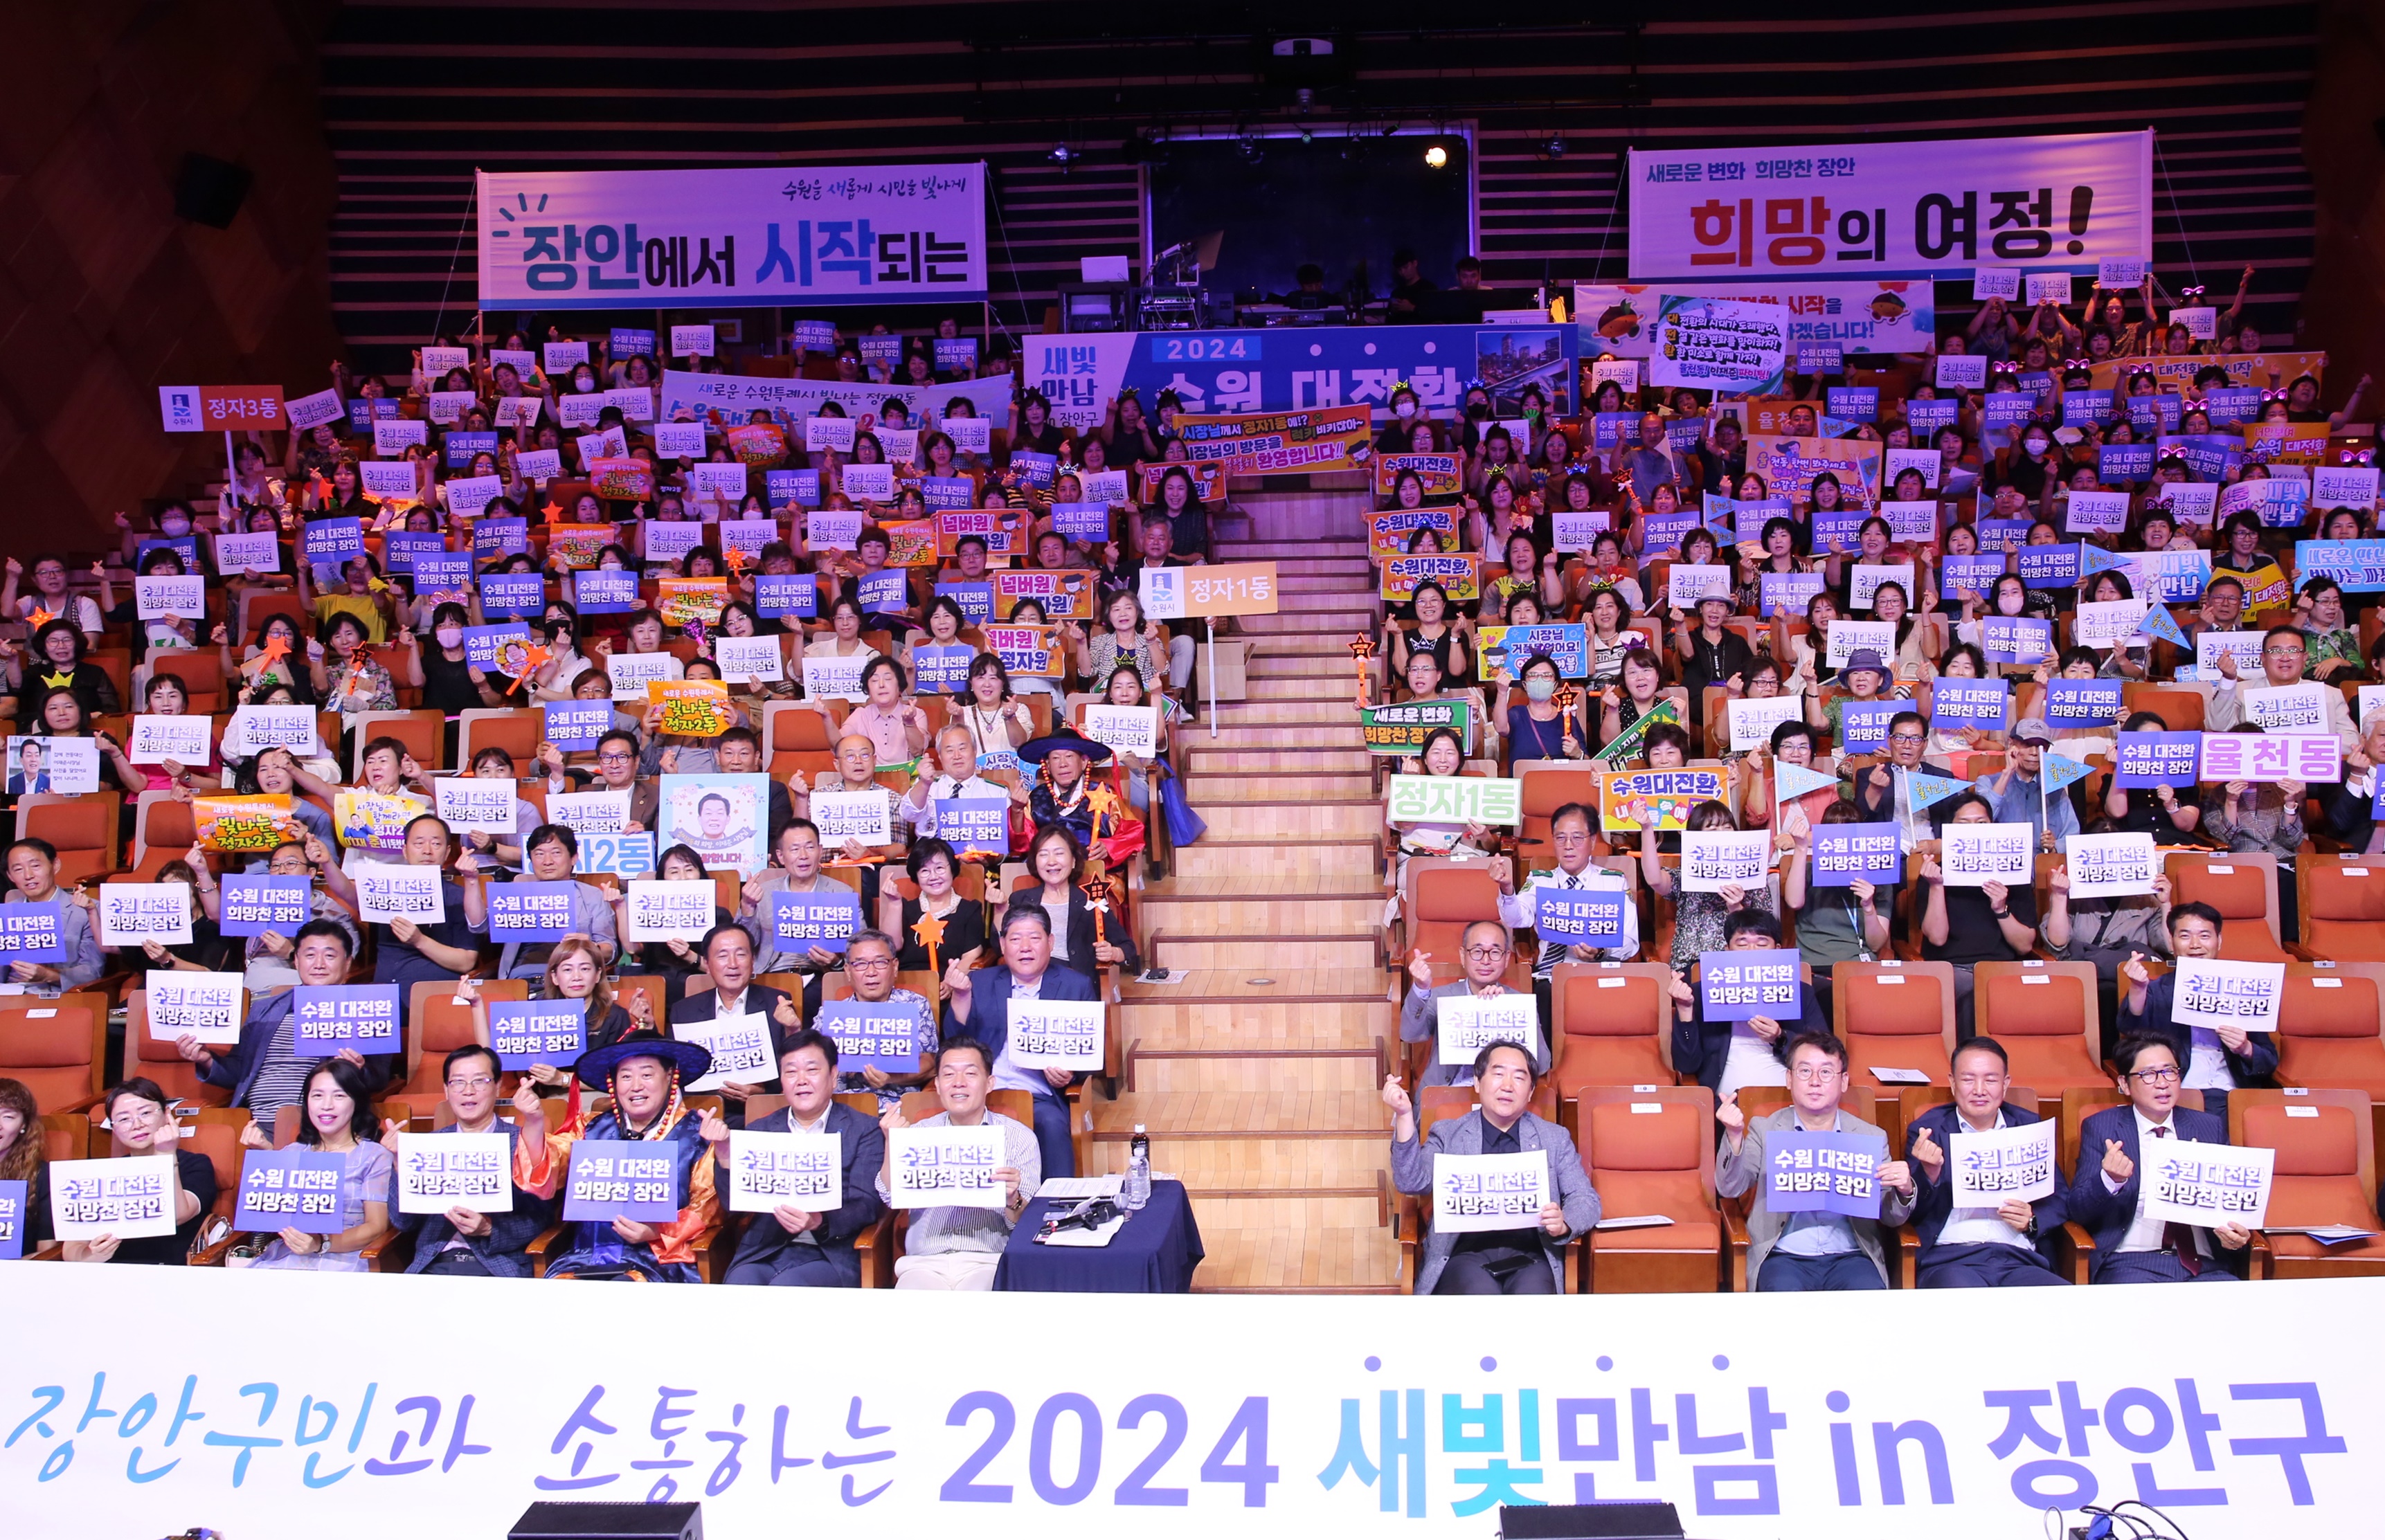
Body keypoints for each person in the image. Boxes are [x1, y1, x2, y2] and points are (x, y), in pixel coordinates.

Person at [1382, 1042, 1599, 1295]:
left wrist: (1565, 1223)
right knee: (1481, 1296)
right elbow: (1410, 1181)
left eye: (1519, 1077)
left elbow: (1585, 1199)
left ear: (1530, 1092)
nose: (1507, 1085)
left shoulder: (1554, 1138)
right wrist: (1405, 1115)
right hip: (1464, 1255)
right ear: (1477, 1083)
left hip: (1531, 1256)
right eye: (1498, 1074)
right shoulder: (1449, 1134)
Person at [512, 1030, 719, 1281]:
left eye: (647, 1074)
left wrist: (657, 1230)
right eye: (626, 1076)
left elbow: (708, 1207)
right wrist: (534, 1122)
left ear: (670, 1077)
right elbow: (547, 1171)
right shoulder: (591, 1128)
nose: (636, 1086)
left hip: (657, 1259)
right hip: (586, 1256)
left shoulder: (696, 1134)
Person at [1715, 1031, 1916, 1291]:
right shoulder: (1765, 1130)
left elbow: (1891, 1217)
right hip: (1783, 1258)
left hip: (1851, 1257)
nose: (1815, 1082)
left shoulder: (1870, 1137)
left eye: (1826, 1073)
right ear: (1789, 1079)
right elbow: (1731, 1188)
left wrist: (1904, 1191)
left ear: (1843, 1081)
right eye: (1805, 1071)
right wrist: (1733, 1136)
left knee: (1870, 1308)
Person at [700, 1029, 885, 1287]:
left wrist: (817, 1220)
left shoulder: (863, 1129)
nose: (801, 1080)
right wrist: (724, 1155)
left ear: (833, 1077)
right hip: (766, 1249)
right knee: (739, 1286)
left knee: (785, 1288)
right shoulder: (760, 1130)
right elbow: (735, 1206)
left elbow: (865, 1205)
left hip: (831, 1252)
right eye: (791, 1072)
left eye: (811, 1070)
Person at [2065, 1035, 2250, 1283]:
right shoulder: (2103, 1128)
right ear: (2125, 1084)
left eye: (2169, 1072)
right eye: (2148, 1075)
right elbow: (2078, 1210)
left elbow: (2230, 1205)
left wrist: (2234, 1238)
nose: (2162, 1083)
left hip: (2205, 1265)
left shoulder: (2209, 1127)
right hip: (2132, 1263)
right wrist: (2109, 1180)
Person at [942, 904, 1096, 1181]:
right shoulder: (979, 981)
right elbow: (955, 1044)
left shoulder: (1076, 985)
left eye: (1035, 938)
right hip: (982, 1091)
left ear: (1050, 942)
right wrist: (961, 997)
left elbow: (1090, 1049)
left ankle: (1055, 1208)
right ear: (1002, 944)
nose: (1025, 947)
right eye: (1015, 939)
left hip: (1037, 1095)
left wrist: (1070, 1073)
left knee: (1051, 1124)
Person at [178, 919, 392, 1116]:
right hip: (254, 1120)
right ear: (296, 961)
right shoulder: (265, 1009)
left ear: (347, 963)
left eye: (329, 956)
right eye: (310, 955)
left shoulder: (366, 1008)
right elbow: (240, 1072)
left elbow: (380, 1077)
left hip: (319, 1121)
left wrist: (358, 1070)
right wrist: (206, 1060)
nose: (319, 964)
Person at [874, 1037, 1038, 1289]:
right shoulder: (918, 1133)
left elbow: (1025, 1221)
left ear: (990, 1083)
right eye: (949, 1075)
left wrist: (1012, 1199)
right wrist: (891, 1143)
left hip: (988, 1262)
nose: (959, 1083)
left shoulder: (1019, 1137)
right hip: (923, 1263)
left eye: (971, 1073)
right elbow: (890, 1196)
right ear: (938, 1085)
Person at [1904, 1037, 2069, 1287]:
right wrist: (1929, 1174)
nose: (1979, 1090)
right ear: (1952, 1083)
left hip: (2019, 1258)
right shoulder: (1929, 1130)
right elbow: (1912, 1213)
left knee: (2064, 1303)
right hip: (1952, 1257)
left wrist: (2033, 1220)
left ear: (2005, 1084)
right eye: (1968, 1079)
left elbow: (2060, 1198)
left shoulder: (2029, 1126)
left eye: (1990, 1080)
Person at [383, 1043, 552, 1276]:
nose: (468, 1091)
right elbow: (403, 1223)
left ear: (498, 1086)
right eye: (458, 1082)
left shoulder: (520, 1143)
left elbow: (540, 1219)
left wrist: (490, 1229)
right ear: (446, 1090)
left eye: (480, 1081)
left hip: (495, 1266)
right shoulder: (427, 1146)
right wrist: (400, 1164)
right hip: (434, 1264)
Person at [2114, 903, 2278, 1127]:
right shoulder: (2157, 989)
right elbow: (2131, 1030)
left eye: (2204, 936)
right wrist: (2138, 988)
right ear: (2171, 943)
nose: (2195, 945)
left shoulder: (2242, 988)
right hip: (2180, 1092)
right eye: (2185, 936)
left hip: (2231, 1094)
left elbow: (2268, 1061)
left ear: (2219, 941)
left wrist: (2245, 1048)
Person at [1494, 801, 1640, 1037]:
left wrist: (1601, 952)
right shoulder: (1541, 881)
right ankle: (1547, 1071)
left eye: (1577, 838)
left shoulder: (1613, 883)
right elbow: (1516, 919)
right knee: (1544, 997)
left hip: (1599, 972)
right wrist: (1507, 889)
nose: (1568, 846)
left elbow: (1631, 941)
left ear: (1593, 841)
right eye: (1560, 838)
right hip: (1551, 976)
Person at [241, 1057, 395, 1271]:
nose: (327, 1106)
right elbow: (273, 1213)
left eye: (339, 1096)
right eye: (317, 1096)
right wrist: (266, 1157)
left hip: (345, 1258)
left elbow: (376, 1227)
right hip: (287, 1258)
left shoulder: (375, 1156)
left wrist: (321, 1243)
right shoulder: (292, 1153)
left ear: (356, 1101)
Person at [1666, 909, 1828, 1098]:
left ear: (1777, 950)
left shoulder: (1800, 992)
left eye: (1761, 943)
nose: (1751, 952)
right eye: (1742, 943)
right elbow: (1687, 1065)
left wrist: (1780, 1037)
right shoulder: (1703, 994)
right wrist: (1685, 1010)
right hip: (1728, 1104)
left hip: (1791, 1100)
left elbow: (1824, 1053)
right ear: (1727, 950)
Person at [1917, 791, 2041, 1038]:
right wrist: (1936, 887)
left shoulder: (2013, 873)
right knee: (1973, 992)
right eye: (1964, 824)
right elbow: (1937, 938)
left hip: (2001, 968)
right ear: (1949, 831)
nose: (1973, 830)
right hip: (1953, 969)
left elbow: (2025, 944)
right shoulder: (1933, 874)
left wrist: (2001, 910)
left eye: (1981, 823)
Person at [63, 1078, 217, 1265]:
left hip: (172, 1273)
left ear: (167, 1114)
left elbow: (175, 1216)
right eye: (124, 1119)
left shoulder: (196, 1164)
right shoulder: (105, 1173)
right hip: (113, 1275)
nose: (137, 1125)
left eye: (145, 1113)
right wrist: (93, 1256)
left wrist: (166, 1154)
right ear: (113, 1127)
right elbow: (71, 1247)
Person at [669, 923, 802, 1118]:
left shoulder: (777, 1003)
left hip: (763, 1112)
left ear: (753, 959)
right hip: (702, 1113)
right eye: (722, 956)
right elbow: (676, 1075)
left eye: (741, 954)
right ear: (707, 963)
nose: (733, 964)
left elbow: (796, 1068)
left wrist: (762, 1092)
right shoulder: (684, 1011)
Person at [1399, 918, 1548, 1089]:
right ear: (1463, 956)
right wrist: (1421, 988)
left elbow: (1542, 1065)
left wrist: (1508, 1008)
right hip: (1449, 1093)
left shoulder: (1519, 1002)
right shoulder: (1441, 998)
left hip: (1502, 1096)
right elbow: (1409, 1034)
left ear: (1507, 958)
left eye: (1495, 952)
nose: (1486, 960)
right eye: (1477, 951)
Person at [494, 824, 620, 979]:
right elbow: (480, 926)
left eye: (556, 853)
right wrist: (472, 881)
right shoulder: (516, 895)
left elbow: (610, 950)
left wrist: (591, 947)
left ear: (573, 857)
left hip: (573, 977)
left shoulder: (592, 896)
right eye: (539, 854)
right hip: (522, 977)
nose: (548, 861)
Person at [2207, 624, 2357, 752]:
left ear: (2305, 658)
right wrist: (2228, 679)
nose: (2285, 658)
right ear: (2263, 659)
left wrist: (2300, 748)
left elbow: (2351, 744)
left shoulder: (2329, 694)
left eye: (2293, 651)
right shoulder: (2241, 692)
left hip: (2314, 778)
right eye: (2275, 651)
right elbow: (2219, 726)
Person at [1017, 823, 1137, 980]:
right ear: (1035, 862)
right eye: (1044, 854)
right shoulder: (1021, 900)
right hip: (1031, 983)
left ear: (1073, 861)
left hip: (1075, 983)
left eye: (1059, 853)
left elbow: (1128, 948)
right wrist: (999, 910)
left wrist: (1113, 952)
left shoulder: (1093, 900)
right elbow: (1002, 947)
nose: (1051, 861)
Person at [3, 837, 102, 996]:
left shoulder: (87, 910)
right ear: (10, 876)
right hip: (9, 995)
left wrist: (47, 975)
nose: (28, 875)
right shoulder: (7, 913)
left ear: (55, 866)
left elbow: (92, 971)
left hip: (60, 995)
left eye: (35, 866)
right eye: (18, 870)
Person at [1972, 716, 2081, 851]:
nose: (2035, 753)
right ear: (2011, 744)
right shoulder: (1987, 782)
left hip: (2044, 866)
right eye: (2027, 745)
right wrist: (2007, 773)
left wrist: (2055, 847)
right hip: (2002, 863)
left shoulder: (2055, 790)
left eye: (2042, 747)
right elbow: (1980, 824)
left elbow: (2072, 836)